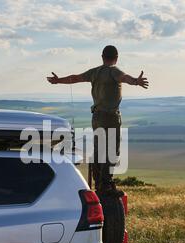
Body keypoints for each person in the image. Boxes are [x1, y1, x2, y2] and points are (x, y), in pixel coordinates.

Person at [47, 45, 149, 195]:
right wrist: (135, 81)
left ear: (102, 57)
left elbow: (75, 78)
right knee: (112, 149)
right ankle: (106, 184)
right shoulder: (114, 71)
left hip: (96, 116)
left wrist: (58, 81)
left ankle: (98, 182)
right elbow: (124, 78)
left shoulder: (95, 72)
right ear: (116, 58)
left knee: (98, 148)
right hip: (111, 117)